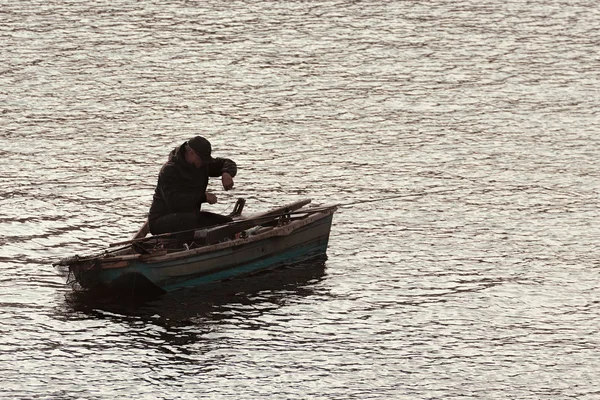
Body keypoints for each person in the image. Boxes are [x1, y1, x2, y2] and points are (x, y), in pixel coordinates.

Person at [148, 136, 237, 236]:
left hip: (191, 217)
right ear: (191, 153)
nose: (204, 162)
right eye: (202, 159)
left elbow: (226, 163)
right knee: (188, 220)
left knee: (226, 223)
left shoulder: (202, 164)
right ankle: (183, 247)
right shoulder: (170, 170)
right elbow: (174, 202)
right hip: (161, 221)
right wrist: (203, 197)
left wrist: (226, 173)